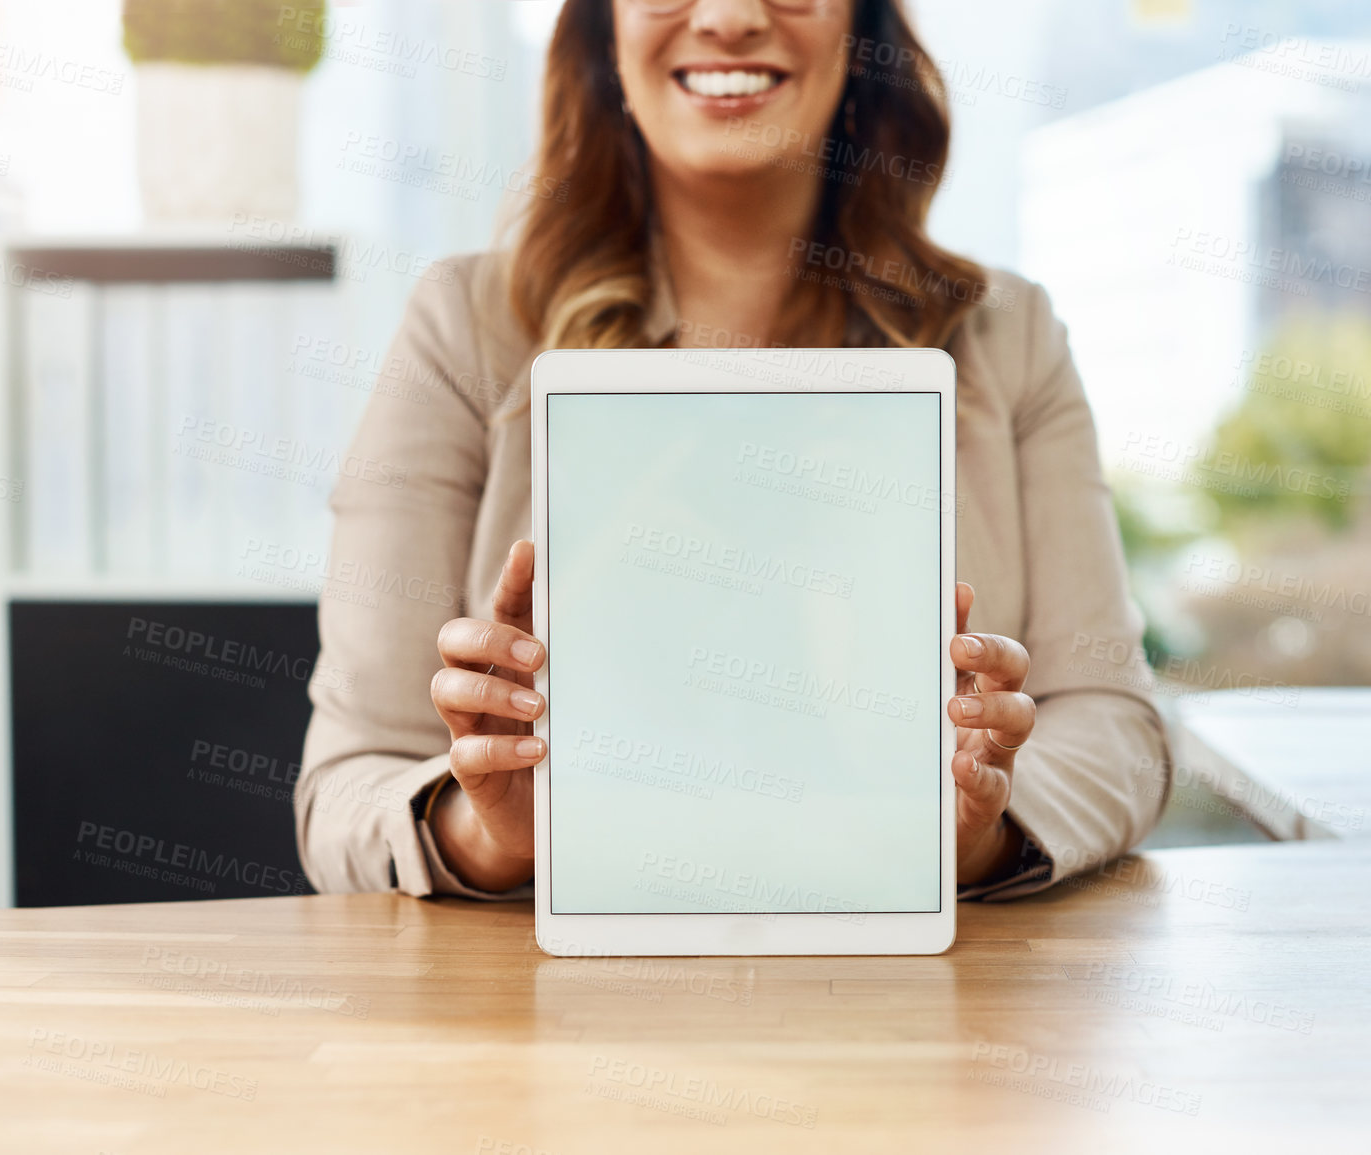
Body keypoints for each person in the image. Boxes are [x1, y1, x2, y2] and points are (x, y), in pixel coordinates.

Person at [295, 0, 1171, 903]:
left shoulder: (1007, 337)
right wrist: (486, 831)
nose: (727, 16)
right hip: (558, 1004)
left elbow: (1118, 729)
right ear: (603, 31)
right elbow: (343, 787)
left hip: (910, 992)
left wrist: (975, 831)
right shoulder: (462, 328)